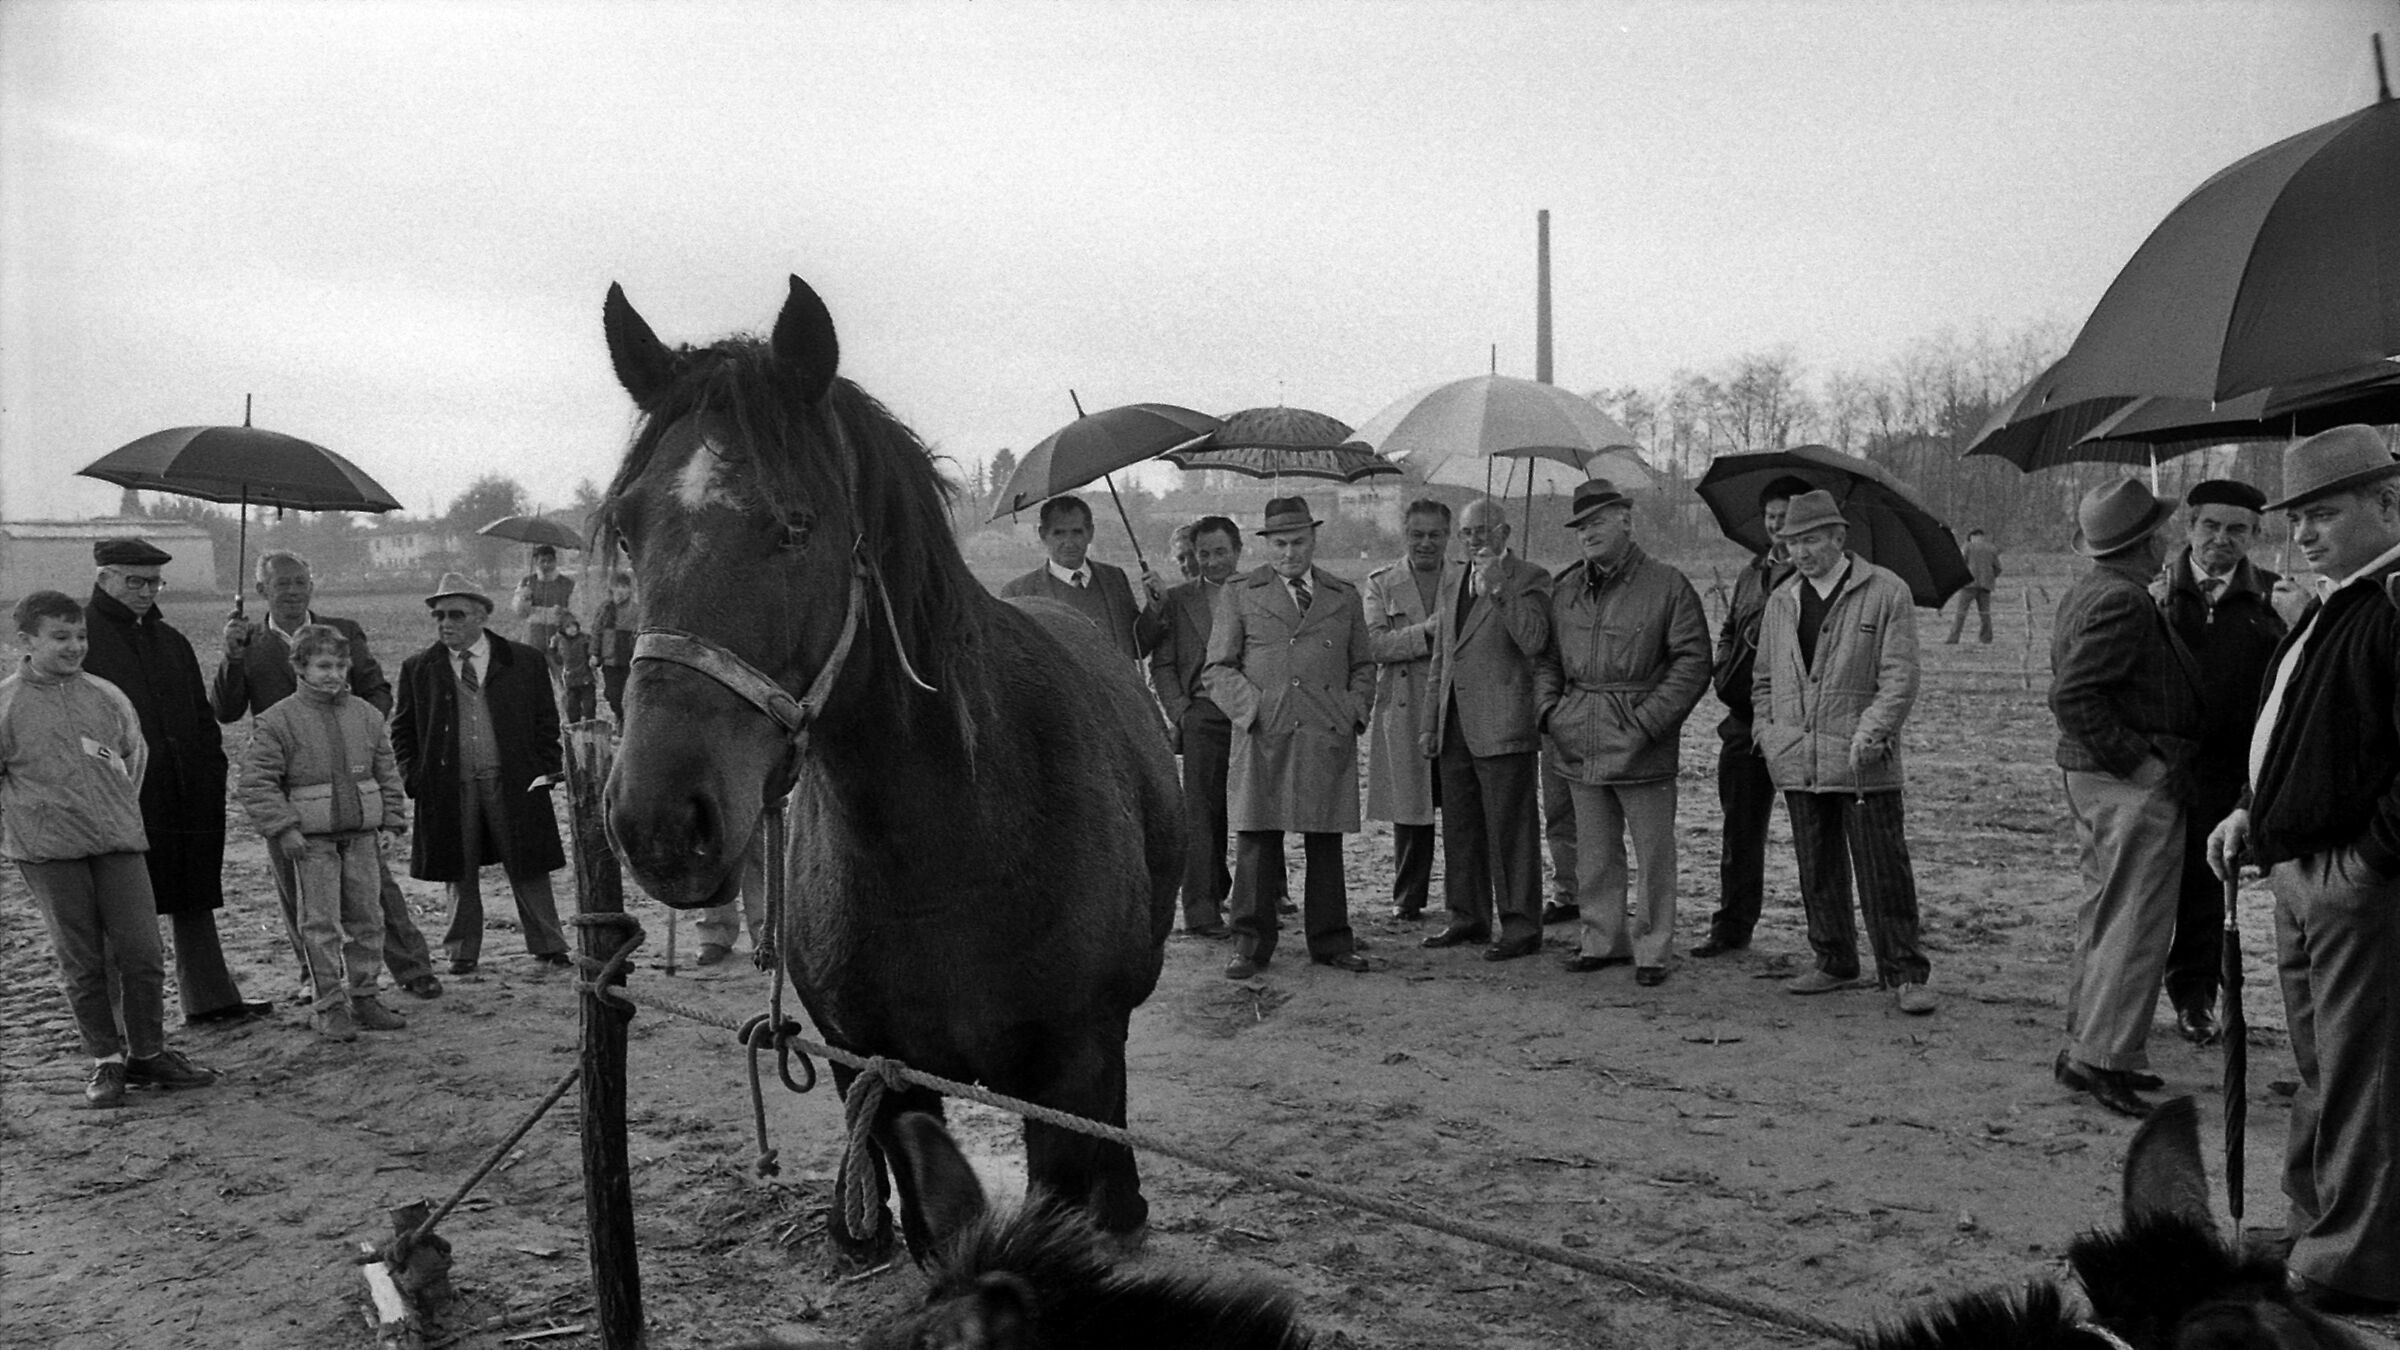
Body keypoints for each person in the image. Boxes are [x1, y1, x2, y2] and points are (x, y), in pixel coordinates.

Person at [2206, 425, 2400, 1316]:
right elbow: (2298, 734)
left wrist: (2366, 862)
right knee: (2321, 1064)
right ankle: (2314, 1220)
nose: (2304, 535)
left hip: (2356, 885)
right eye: (2299, 518)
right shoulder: (2332, 606)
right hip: (2295, 868)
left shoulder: (2393, 604)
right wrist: (2253, 812)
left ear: (2386, 504)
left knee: (2365, 1074)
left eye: (2324, 513)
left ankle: (2354, 1260)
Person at [1, 591, 218, 1108]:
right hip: (49, 854)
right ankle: (106, 1061)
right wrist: (33, 825)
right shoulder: (7, 704)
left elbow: (131, 760)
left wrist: (113, 814)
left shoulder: (107, 695)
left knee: (142, 952)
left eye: (81, 636)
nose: (75, 646)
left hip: (119, 845)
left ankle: (148, 1052)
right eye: (60, 638)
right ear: (26, 641)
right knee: (82, 960)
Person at [213, 549, 441, 1000]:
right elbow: (226, 709)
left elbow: (378, 690)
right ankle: (315, 978)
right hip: (287, 788)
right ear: (262, 591)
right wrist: (231, 658)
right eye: (282, 584)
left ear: (311, 586)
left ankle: (411, 968)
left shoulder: (344, 635)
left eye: (300, 582)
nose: (293, 591)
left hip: (347, 779)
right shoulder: (250, 642)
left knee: (371, 885)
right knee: (297, 887)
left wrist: (355, 729)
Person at [2048, 479, 2202, 1118]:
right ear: (2146, 541)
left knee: (2106, 915)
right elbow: (2075, 696)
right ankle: (2104, 1059)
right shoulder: (2124, 601)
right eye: (2160, 528)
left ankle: (2088, 1050)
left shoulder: (2096, 591)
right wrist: (2138, 764)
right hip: (2122, 784)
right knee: (2134, 923)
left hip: (2096, 781)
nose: (2169, 536)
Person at [1752, 491, 1936, 1014]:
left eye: (1811, 540)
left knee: (1884, 869)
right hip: (1797, 758)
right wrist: (1770, 734)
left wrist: (1872, 732)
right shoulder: (1782, 600)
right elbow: (1763, 678)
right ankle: (1833, 960)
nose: (1801, 552)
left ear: (1838, 537)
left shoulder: (1885, 592)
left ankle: (1904, 972)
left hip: (1862, 762)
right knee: (1817, 867)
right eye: (1791, 542)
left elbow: (1900, 676)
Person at [80, 538, 269, 1024]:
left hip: (186, 786)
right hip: (119, 792)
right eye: (134, 581)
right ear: (104, 579)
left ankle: (210, 999)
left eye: (154, 582)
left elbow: (202, 714)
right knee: (118, 912)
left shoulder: (171, 640)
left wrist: (211, 766)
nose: (146, 592)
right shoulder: (83, 640)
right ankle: (124, 1029)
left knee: (191, 892)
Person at [1535, 480, 1710, 987]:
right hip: (1578, 736)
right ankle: (1602, 939)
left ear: (1626, 521)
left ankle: (1653, 949)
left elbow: (1694, 661)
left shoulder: (1668, 585)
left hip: (1642, 744)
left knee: (1654, 851)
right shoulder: (1565, 590)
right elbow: (1547, 660)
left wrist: (1647, 722)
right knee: (1594, 849)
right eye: (1580, 526)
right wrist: (1551, 712)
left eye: (1597, 522)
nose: (1587, 533)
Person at [1203, 496, 1373, 979]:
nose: (1289, 553)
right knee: (1257, 838)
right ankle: (1249, 944)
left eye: (1298, 542)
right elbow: (1216, 668)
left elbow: (1363, 664)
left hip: (1325, 730)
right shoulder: (1240, 593)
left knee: (1325, 838)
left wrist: (1353, 710)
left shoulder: (1343, 595)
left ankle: (1332, 941)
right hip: (1264, 733)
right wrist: (1252, 710)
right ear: (1266, 544)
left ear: (1313, 540)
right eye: (1279, 543)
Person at [2150, 479, 2283, 1045]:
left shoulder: (2273, 598)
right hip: (2157, 767)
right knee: (2147, 886)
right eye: (2210, 526)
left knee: (2209, 889)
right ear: (2190, 528)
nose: (2221, 540)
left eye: (2237, 530)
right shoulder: (2153, 594)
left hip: (2231, 770)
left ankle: (2196, 996)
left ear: (2254, 536)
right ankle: (2118, 1001)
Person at [235, 625, 411, 1041]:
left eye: (340, 665)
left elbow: (386, 772)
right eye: (323, 665)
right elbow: (255, 783)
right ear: (300, 668)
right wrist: (284, 828)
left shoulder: (367, 716)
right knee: (320, 926)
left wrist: (391, 821)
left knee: (369, 920)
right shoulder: (278, 720)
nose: (333, 674)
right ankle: (329, 1004)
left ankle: (366, 996)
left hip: (363, 840)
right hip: (311, 844)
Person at [393, 572, 571, 975]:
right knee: (458, 868)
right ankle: (461, 951)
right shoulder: (419, 668)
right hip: (449, 787)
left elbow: (547, 721)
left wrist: (546, 769)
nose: (445, 623)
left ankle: (549, 944)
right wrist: (415, 777)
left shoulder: (522, 661)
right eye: (438, 615)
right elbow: (403, 730)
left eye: (455, 614)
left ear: (481, 616)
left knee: (528, 863)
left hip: (515, 782)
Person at [1422, 498, 1552, 961]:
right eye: (1467, 532)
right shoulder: (1452, 579)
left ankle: (1520, 925)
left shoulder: (1531, 578)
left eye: (1484, 530)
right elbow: (1443, 654)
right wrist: (1430, 722)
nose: (1475, 539)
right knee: (1460, 827)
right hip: (1454, 722)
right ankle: (1467, 916)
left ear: (1506, 532)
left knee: (1510, 830)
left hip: (1503, 724)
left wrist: (1499, 587)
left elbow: (1535, 640)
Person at [1696, 475, 1805, 957]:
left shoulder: (1814, 575)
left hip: (1795, 722)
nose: (1776, 525)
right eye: (1770, 516)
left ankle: (1829, 940)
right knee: (1740, 830)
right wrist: (1724, 669)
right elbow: (1728, 628)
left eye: (1785, 516)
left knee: (1812, 833)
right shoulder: (1751, 572)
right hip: (1742, 719)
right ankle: (1732, 926)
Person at [1144, 515, 1248, 937]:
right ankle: (1201, 910)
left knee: (1251, 810)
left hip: (1252, 715)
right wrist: (1181, 712)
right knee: (1200, 814)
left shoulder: (1258, 592)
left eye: (1221, 552)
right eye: (1203, 554)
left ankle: (1256, 899)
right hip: (1203, 715)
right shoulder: (1179, 600)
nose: (1212, 561)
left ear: (1238, 551)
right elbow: (1162, 663)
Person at [1361, 500, 1451, 922]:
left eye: (1435, 534)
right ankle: (1408, 897)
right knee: (1411, 807)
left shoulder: (1465, 578)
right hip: (1405, 705)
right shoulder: (1381, 583)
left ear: (1448, 536)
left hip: (1455, 702)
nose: (1426, 543)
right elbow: (1374, 645)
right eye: (1417, 534)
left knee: (1460, 804)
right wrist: (1426, 633)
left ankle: (1465, 899)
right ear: (1405, 534)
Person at [998, 495, 1163, 663]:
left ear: (1090, 533)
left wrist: (1154, 608)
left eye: (1077, 532)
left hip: (1119, 688)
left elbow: (1138, 646)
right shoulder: (1018, 593)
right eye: (1059, 533)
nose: (1069, 542)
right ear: (1042, 534)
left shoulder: (1114, 579)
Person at [512, 544, 575, 676]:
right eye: (542, 561)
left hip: (558, 636)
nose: (546, 565)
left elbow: (576, 611)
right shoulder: (527, 582)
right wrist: (524, 599)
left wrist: (563, 613)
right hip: (533, 636)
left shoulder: (567, 583)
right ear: (536, 562)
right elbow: (520, 613)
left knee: (562, 677)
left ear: (555, 561)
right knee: (532, 677)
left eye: (550, 561)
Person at [590, 570, 640, 723]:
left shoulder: (636, 610)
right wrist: (594, 653)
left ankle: (627, 722)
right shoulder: (605, 609)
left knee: (630, 693)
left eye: (624, 586)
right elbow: (596, 632)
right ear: (611, 588)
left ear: (630, 589)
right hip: (610, 659)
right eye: (617, 586)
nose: (620, 590)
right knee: (612, 694)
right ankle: (619, 715)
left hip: (630, 660)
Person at [1947, 528, 2002, 644]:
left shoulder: (1967, 547)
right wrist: (1990, 577)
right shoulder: (1991, 548)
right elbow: (1998, 568)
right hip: (1986, 585)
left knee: (1961, 612)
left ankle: (1954, 638)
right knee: (1985, 613)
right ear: (1982, 537)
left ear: (1971, 537)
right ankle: (1986, 638)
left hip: (1968, 585)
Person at [550, 612, 597, 723]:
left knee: (589, 707)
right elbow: (558, 660)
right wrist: (552, 649)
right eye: (568, 627)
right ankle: (574, 731)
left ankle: (590, 727)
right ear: (562, 629)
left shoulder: (585, 638)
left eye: (574, 626)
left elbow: (593, 650)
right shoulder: (559, 641)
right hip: (570, 680)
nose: (572, 629)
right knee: (572, 709)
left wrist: (593, 657)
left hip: (586, 678)